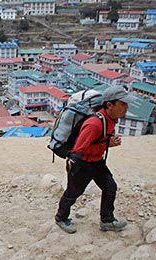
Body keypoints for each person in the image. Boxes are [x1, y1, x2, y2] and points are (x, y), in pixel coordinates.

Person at [54, 86, 137, 234]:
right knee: (73, 194)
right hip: (82, 165)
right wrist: (106, 143)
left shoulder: (111, 119)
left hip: (96, 162)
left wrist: (108, 141)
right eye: (122, 104)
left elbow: (99, 140)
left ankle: (107, 220)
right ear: (109, 105)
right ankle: (61, 218)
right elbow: (78, 150)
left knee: (110, 187)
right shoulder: (94, 123)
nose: (126, 108)